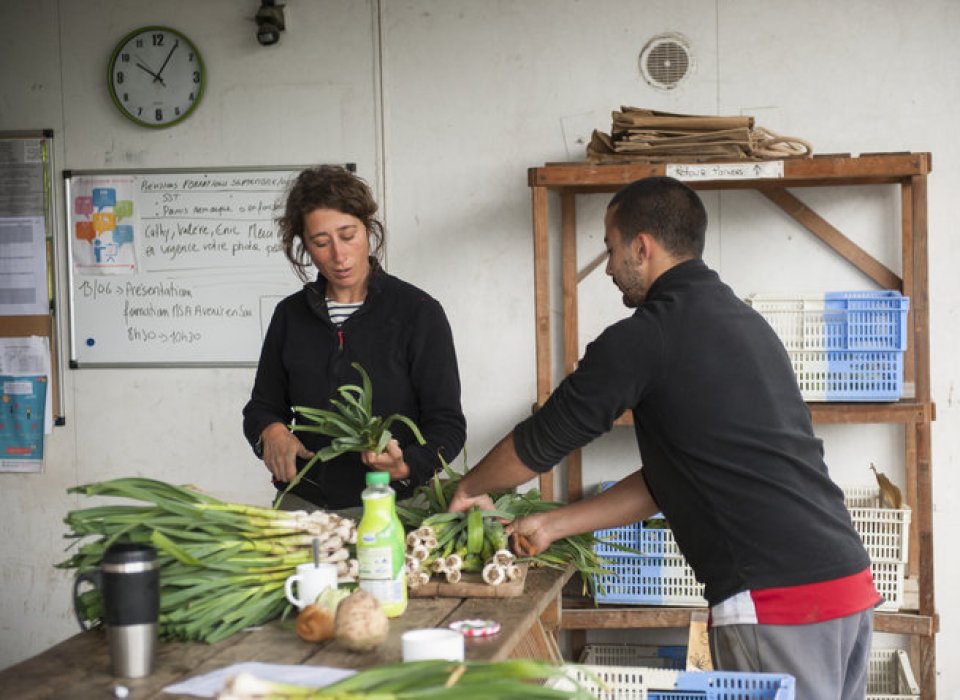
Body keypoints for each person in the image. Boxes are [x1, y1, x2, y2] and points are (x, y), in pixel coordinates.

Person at [449, 176, 879, 699]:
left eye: (610, 250)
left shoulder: (645, 337)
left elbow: (540, 442)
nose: (608, 268)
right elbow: (671, 480)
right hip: (846, 584)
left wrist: (470, 490)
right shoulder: (747, 325)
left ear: (642, 246)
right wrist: (551, 524)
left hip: (777, 598)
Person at [243, 165, 466, 513]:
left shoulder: (418, 312)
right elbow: (261, 406)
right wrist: (270, 431)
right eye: (321, 242)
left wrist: (407, 465)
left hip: (397, 504)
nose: (338, 255)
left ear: (369, 229)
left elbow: (448, 426)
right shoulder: (290, 316)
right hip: (306, 504)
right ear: (303, 246)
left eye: (348, 235)